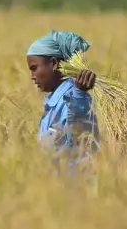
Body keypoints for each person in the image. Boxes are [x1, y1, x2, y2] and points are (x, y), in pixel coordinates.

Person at [26, 30, 100, 173]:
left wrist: (79, 94)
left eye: (34, 68)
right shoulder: (56, 101)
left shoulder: (74, 97)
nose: (32, 76)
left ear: (53, 63)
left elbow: (79, 129)